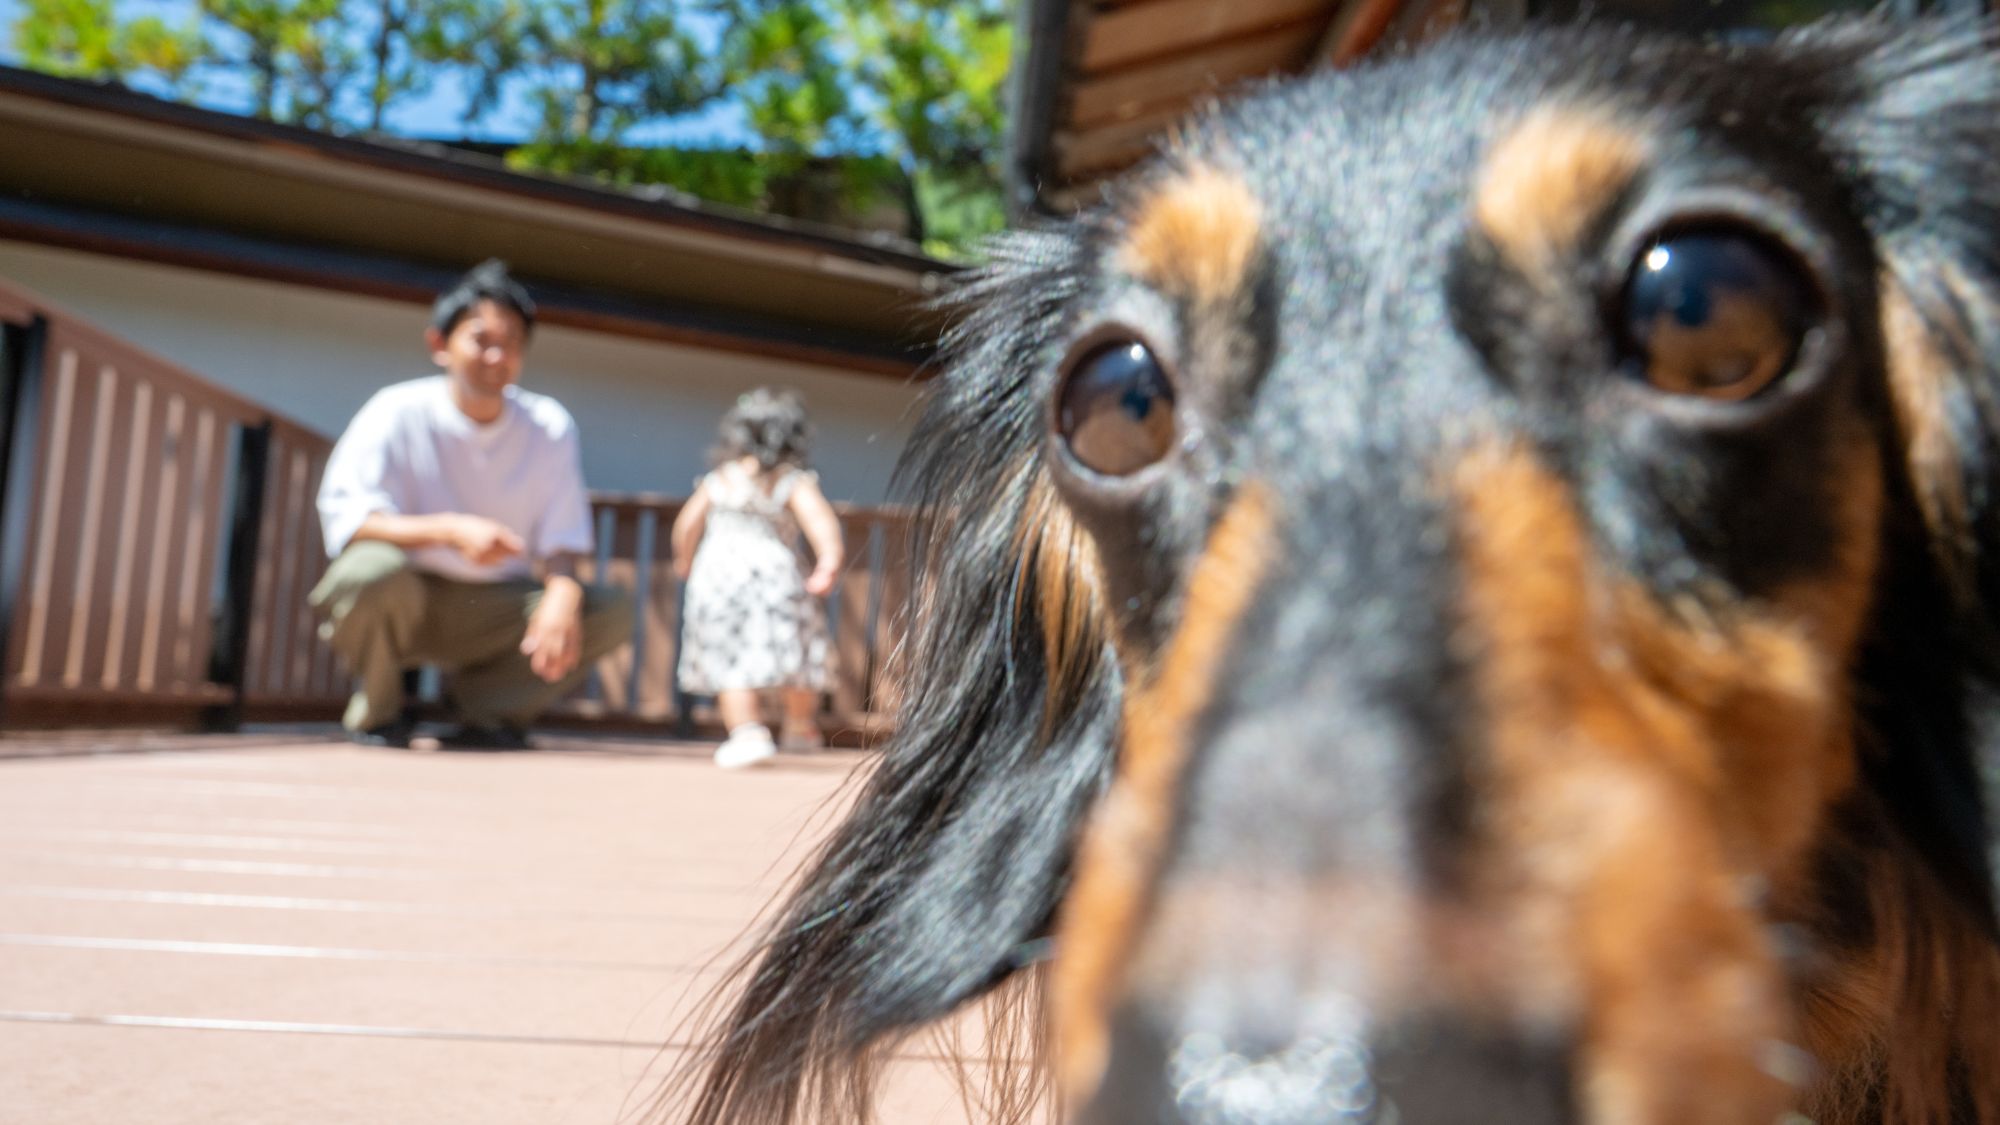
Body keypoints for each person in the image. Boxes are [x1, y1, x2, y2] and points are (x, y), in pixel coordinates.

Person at [309, 259, 633, 750]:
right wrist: (449, 529)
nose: (497, 356)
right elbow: (349, 520)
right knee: (365, 571)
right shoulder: (395, 410)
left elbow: (561, 544)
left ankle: (486, 712)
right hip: (405, 598)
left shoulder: (548, 425)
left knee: (608, 611)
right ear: (439, 345)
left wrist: (562, 598)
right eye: (482, 339)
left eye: (512, 343)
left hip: (497, 609)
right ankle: (377, 712)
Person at [671, 388, 843, 769]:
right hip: (775, 576)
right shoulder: (791, 480)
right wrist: (828, 561)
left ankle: (747, 732)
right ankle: (800, 727)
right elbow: (820, 522)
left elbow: (686, 526)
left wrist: (684, 562)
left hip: (718, 578)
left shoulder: (720, 480)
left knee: (729, 657)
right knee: (793, 652)